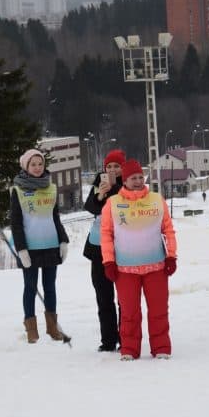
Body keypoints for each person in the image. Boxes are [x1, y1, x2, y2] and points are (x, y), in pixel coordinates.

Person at [100, 159, 178, 361]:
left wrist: (171, 256)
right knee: (129, 312)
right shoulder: (113, 203)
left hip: (156, 266)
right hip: (125, 269)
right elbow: (106, 234)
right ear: (124, 180)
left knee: (159, 309)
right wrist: (108, 262)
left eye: (139, 177)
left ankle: (161, 347)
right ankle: (129, 349)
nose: (137, 181)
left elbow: (168, 230)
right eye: (132, 178)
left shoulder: (156, 199)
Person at [9, 148, 69, 344]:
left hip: (50, 245)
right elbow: (16, 223)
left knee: (50, 287)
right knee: (30, 287)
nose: (37, 168)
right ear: (26, 166)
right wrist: (21, 249)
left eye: (40, 164)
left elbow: (55, 216)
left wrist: (63, 240)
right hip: (30, 248)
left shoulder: (50, 188)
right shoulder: (17, 190)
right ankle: (31, 329)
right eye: (33, 164)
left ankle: (52, 327)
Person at [83, 149, 124, 351]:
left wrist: (115, 190)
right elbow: (90, 207)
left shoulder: (129, 183)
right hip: (98, 247)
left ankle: (126, 337)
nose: (113, 170)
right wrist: (100, 194)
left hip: (124, 247)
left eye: (117, 166)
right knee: (103, 295)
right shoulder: (100, 183)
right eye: (109, 166)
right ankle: (108, 340)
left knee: (124, 297)